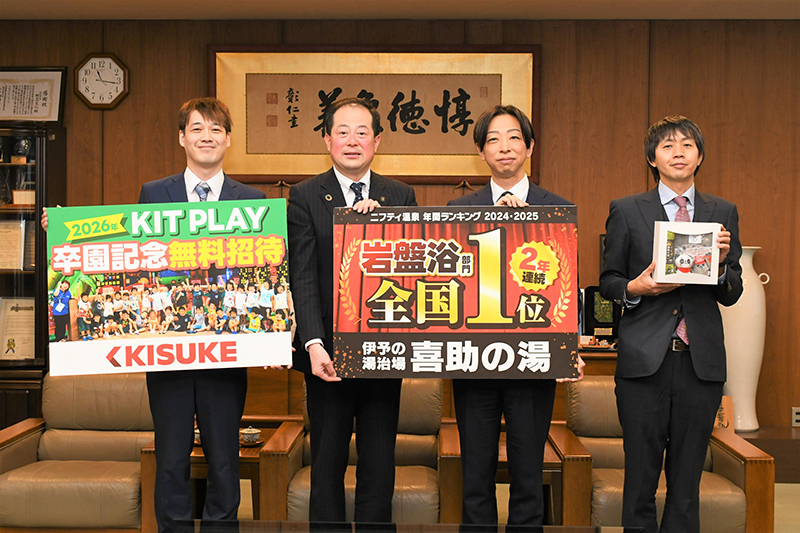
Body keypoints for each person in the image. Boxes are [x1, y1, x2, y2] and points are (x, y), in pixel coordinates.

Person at [599, 115, 742, 533]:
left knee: (687, 480)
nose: (678, 153)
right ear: (652, 158)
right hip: (644, 362)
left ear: (700, 157)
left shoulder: (722, 212)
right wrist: (638, 287)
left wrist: (720, 265)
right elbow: (609, 282)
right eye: (667, 146)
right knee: (640, 477)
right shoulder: (626, 209)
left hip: (701, 363)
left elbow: (731, 291)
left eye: (687, 145)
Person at [447, 104, 584, 525]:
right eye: (493, 139)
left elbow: (566, 284)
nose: (504, 147)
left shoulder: (556, 208)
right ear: (481, 152)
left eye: (513, 138)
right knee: (476, 476)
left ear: (529, 147)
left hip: (532, 360)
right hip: (474, 360)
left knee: (528, 475)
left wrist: (569, 348)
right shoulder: (459, 208)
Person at [137, 97, 266, 531]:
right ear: (181, 138)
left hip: (225, 352)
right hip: (168, 352)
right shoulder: (155, 193)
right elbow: (135, 257)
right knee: (171, 457)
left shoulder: (253, 200)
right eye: (197, 128)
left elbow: (267, 267)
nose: (206, 137)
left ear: (228, 139)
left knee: (224, 457)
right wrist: (62, 234)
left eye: (215, 129)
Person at [287, 97, 417, 522]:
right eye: (342, 132)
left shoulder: (400, 195)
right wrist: (313, 344)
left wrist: (381, 227)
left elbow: (416, 271)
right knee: (326, 462)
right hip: (326, 355)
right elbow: (303, 276)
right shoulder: (304, 195)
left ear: (377, 141)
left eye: (362, 132)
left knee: (379, 462)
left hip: (383, 350)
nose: (352, 141)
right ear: (327, 140)